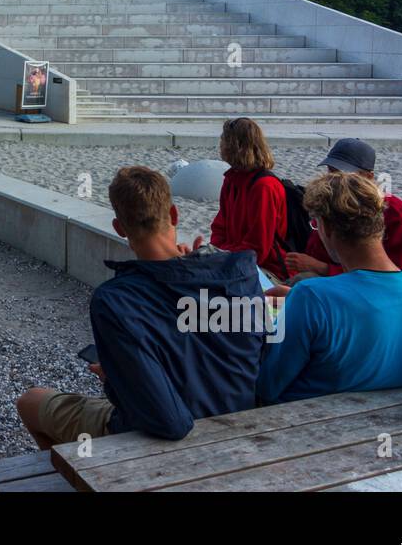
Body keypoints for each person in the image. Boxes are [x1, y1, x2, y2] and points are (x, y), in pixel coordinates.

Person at [16, 166, 265, 447]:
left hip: (170, 442)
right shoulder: (242, 273)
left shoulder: (115, 300)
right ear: (173, 214)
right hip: (238, 418)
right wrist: (192, 271)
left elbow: (170, 422)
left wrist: (116, 378)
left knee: (30, 401)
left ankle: (79, 478)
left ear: (119, 228)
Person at [256, 172, 402, 404]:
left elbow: (266, 386)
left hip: (307, 424)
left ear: (326, 228)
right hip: (391, 421)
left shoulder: (311, 298)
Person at [284, 139, 402, 283]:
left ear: (368, 177)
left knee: (302, 284)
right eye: (331, 170)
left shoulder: (397, 216)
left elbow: (390, 279)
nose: (333, 179)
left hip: (398, 295)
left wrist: (321, 268)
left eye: (343, 173)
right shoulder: (333, 202)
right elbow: (317, 251)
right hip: (347, 281)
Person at [210, 117, 289, 280]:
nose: (220, 145)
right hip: (235, 258)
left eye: (224, 140)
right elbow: (219, 227)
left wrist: (223, 254)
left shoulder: (264, 187)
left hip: (265, 269)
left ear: (235, 145)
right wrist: (220, 253)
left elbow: (258, 248)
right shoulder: (232, 180)